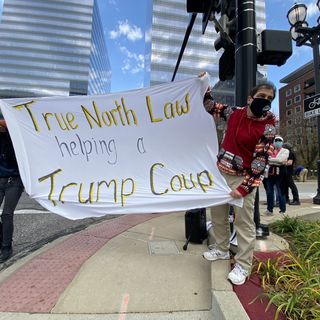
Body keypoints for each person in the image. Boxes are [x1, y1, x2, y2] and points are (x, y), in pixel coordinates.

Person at [200, 73, 276, 286]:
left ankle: (243, 264)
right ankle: (222, 250)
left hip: (242, 179)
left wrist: (244, 188)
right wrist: (203, 86)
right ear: (250, 99)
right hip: (221, 175)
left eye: (270, 99)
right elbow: (210, 106)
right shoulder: (235, 113)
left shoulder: (268, 128)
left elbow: (260, 162)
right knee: (218, 216)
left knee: (244, 224)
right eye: (261, 95)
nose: (265, 101)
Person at [0, 113, 24, 262]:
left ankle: (6, 247)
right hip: (0, 179)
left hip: (14, 181)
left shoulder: (16, 138)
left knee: (7, 214)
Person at [265, 136, 289, 216]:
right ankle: (269, 209)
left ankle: (283, 210)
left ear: (282, 142)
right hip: (270, 173)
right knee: (269, 192)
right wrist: (278, 161)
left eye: (279, 140)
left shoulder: (285, 151)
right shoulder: (269, 150)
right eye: (276, 140)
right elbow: (266, 159)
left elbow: (281, 160)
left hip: (281, 174)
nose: (277, 142)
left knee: (280, 192)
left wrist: (271, 160)